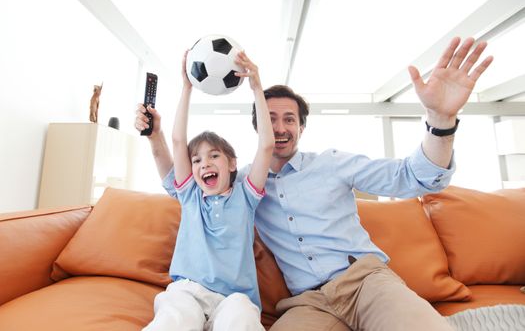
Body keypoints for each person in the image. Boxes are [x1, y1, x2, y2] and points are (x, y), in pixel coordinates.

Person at [136, 37, 493, 330]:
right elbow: (178, 176)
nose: (278, 128)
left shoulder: (333, 164)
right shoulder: (238, 184)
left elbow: (413, 176)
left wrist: (440, 121)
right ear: (259, 126)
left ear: (301, 128)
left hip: (365, 281)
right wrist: (154, 134)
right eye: (270, 119)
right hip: (307, 302)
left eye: (289, 119)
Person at [142, 51, 273, 331]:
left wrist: (256, 87)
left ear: (232, 164)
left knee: (241, 319)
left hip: (234, 298)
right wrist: (187, 87)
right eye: (197, 160)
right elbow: (178, 141)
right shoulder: (189, 195)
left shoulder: (245, 197)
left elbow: (266, 146)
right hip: (188, 292)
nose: (205, 164)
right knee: (173, 317)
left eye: (214, 156)